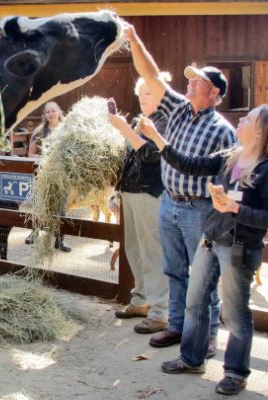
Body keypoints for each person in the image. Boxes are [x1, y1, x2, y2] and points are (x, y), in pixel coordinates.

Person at [141, 104, 268, 396]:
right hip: (210, 240)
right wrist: (158, 138)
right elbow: (190, 164)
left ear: (260, 131)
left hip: (239, 248)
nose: (241, 119)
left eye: (248, 118)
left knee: (234, 314)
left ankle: (235, 372)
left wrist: (235, 208)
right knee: (195, 302)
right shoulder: (230, 157)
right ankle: (191, 359)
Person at [124, 24, 236, 353]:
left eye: (198, 81)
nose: (191, 82)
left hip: (199, 209)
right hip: (168, 203)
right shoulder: (177, 109)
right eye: (190, 79)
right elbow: (152, 73)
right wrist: (133, 39)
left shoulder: (222, 130)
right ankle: (176, 326)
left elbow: (228, 178)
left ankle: (209, 336)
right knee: (174, 270)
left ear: (214, 92)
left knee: (202, 275)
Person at [108, 73, 171, 334]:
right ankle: (141, 300)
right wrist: (116, 191)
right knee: (134, 248)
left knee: (153, 251)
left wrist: (123, 129)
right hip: (131, 192)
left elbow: (152, 155)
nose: (144, 99)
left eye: (150, 93)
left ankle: (161, 311)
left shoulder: (167, 122)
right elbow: (127, 157)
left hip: (152, 192)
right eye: (142, 94)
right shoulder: (137, 121)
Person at [26, 102, 71, 252]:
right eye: (48, 112)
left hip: (62, 176)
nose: (51, 114)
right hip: (44, 175)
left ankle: (60, 240)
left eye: (53, 111)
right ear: (45, 115)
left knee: (61, 208)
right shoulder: (39, 132)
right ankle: (35, 232)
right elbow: (31, 153)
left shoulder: (68, 130)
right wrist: (44, 158)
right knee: (41, 204)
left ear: (59, 112)